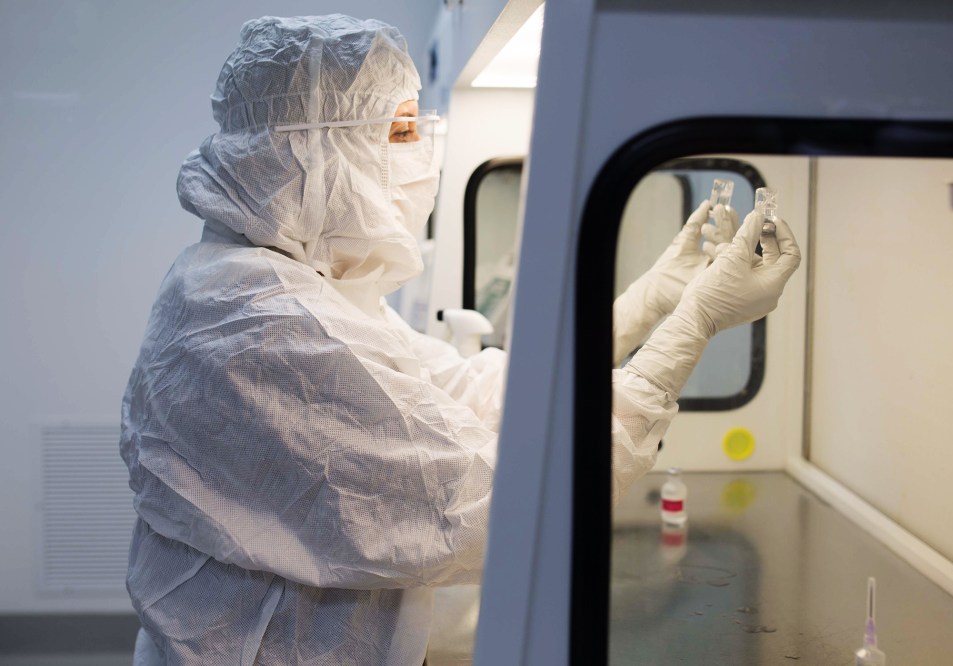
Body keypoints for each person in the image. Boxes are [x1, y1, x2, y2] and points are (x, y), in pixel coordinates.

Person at [120, 14, 800, 665]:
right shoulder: (260, 327)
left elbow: (463, 393)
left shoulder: (287, 285)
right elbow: (506, 507)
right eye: (403, 131)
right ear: (316, 149)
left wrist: (646, 303)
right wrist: (692, 326)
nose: (422, 160)